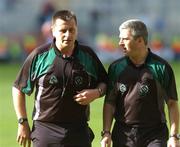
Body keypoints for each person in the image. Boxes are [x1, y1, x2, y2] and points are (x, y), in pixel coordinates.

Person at [12, 10, 107, 147]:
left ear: (77, 30)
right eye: (63, 30)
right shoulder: (40, 55)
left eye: (71, 30)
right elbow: (18, 88)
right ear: (53, 31)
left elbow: (104, 82)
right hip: (45, 129)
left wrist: (96, 93)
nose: (68, 35)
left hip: (78, 129)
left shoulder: (88, 56)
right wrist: (22, 122)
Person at [101, 19, 180, 147]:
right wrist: (106, 133)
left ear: (140, 40)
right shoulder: (116, 68)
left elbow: (172, 103)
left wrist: (174, 136)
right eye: (120, 38)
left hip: (155, 135)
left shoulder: (161, 67)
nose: (120, 43)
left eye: (125, 39)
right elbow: (110, 102)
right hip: (123, 134)